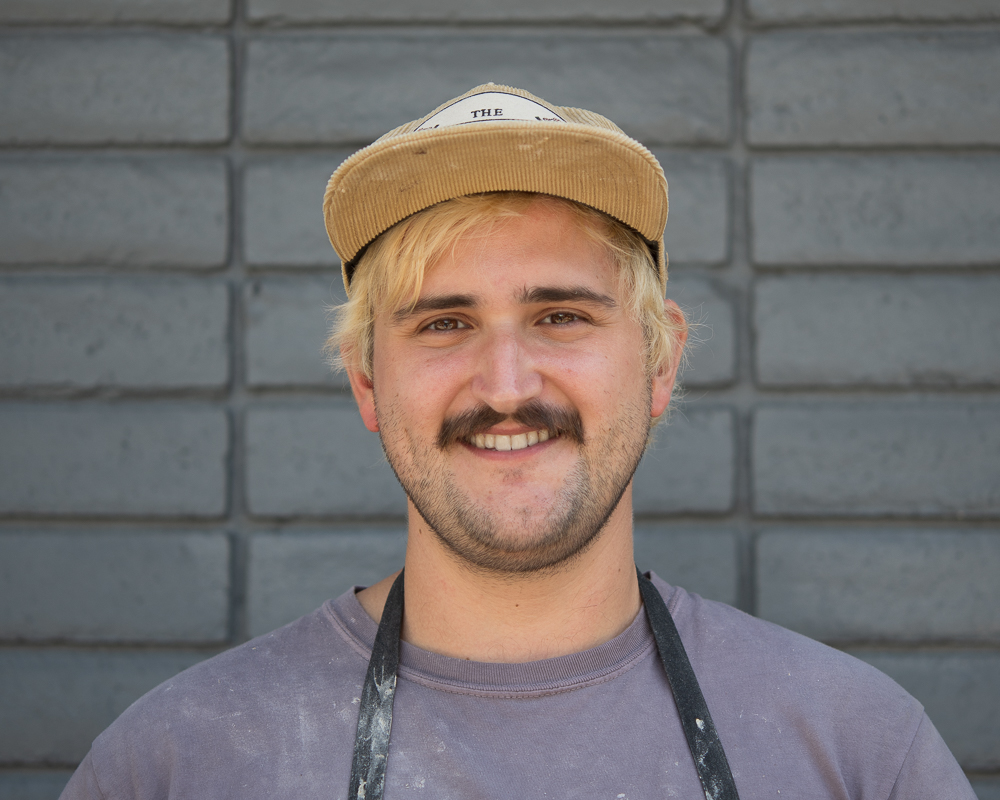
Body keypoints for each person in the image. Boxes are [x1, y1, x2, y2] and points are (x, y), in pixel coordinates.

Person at [60, 84, 975, 800]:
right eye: (444, 324)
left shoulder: (857, 753)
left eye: (562, 315)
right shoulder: (175, 764)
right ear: (368, 383)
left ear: (660, 363)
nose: (505, 387)